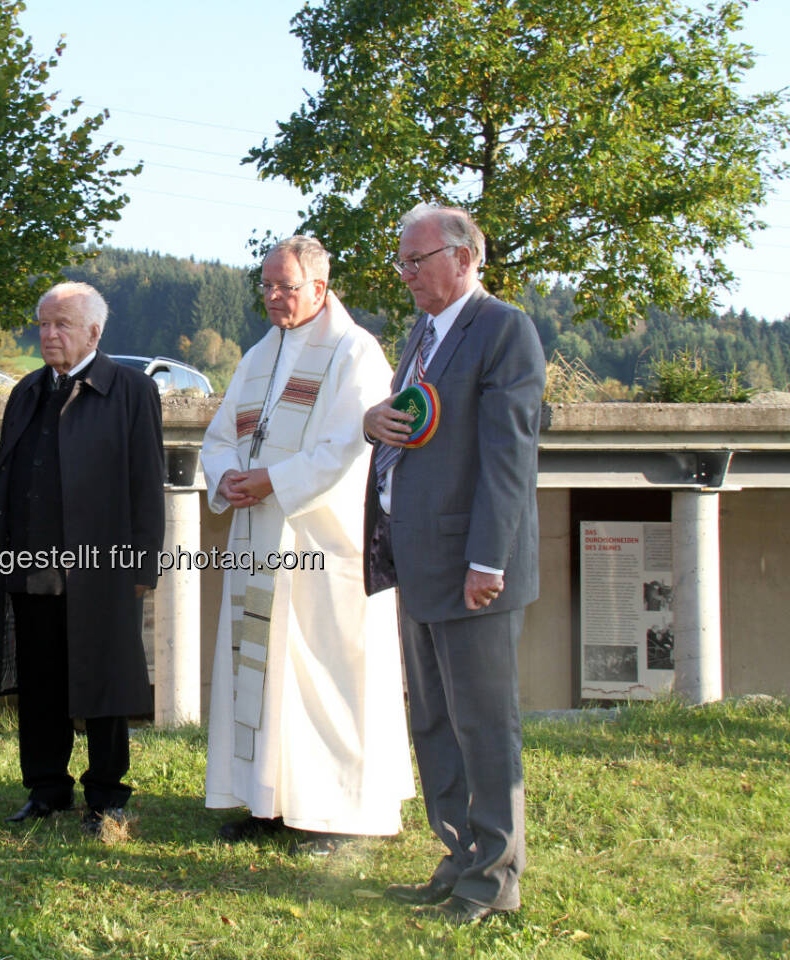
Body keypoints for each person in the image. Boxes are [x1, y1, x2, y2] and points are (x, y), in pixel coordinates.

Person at [362, 204, 546, 924]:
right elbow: (409, 426)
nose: (406, 275)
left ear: (465, 259)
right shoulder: (422, 335)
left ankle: (494, 881)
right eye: (401, 263)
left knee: (484, 727)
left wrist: (486, 561)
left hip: (474, 574)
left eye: (418, 260)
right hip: (419, 563)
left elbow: (508, 460)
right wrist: (371, 422)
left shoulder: (504, 331)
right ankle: (458, 856)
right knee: (434, 722)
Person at [200, 237, 413, 855]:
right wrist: (228, 476)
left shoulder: (354, 353)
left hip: (324, 547)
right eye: (265, 285)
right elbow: (219, 436)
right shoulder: (259, 356)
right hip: (259, 539)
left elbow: (351, 450)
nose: (272, 297)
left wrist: (272, 481)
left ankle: (337, 815)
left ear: (320, 287)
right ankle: (268, 802)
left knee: (326, 678)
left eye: (285, 287)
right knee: (264, 675)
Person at [0, 281, 164, 836]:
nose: (49, 335)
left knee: (104, 682)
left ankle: (107, 795)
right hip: (30, 565)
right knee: (39, 682)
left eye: (62, 325)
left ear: (94, 332)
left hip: (102, 568)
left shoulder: (129, 391)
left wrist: (142, 567)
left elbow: (146, 484)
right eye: (43, 324)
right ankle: (46, 789)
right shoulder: (27, 391)